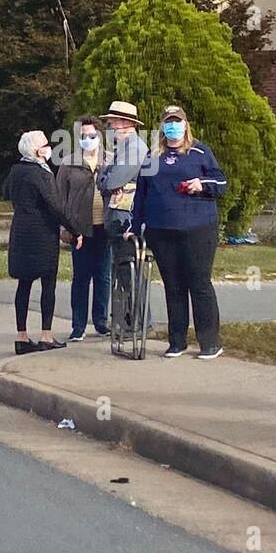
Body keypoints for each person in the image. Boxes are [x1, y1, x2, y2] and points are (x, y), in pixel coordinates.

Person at [132, 106, 227, 359]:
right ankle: (177, 341)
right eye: (168, 122)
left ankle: (210, 342)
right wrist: (134, 226)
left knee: (199, 283)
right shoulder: (153, 157)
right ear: (162, 126)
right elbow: (141, 195)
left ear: (185, 124)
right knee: (173, 286)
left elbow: (221, 182)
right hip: (161, 229)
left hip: (197, 227)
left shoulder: (200, 152)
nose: (173, 126)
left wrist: (202, 184)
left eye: (177, 122)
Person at [6, 131, 81, 353]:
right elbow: (56, 205)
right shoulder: (41, 174)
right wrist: (74, 229)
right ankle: (46, 334)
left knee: (24, 283)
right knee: (48, 283)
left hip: (20, 230)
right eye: (46, 145)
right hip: (42, 233)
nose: (49, 148)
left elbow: (6, 191)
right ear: (38, 150)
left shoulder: (16, 170)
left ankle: (21, 335)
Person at [97, 100, 150, 336]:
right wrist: (105, 178)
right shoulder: (124, 148)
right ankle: (131, 321)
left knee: (129, 272)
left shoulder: (134, 149)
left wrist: (105, 179)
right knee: (123, 272)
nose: (110, 126)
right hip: (118, 214)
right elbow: (105, 179)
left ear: (125, 123)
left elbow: (111, 180)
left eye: (112, 122)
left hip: (125, 217)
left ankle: (139, 322)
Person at [56, 116, 111, 341]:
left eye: (91, 135)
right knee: (81, 277)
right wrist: (64, 228)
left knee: (103, 276)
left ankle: (101, 322)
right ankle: (78, 326)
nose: (87, 140)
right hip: (80, 230)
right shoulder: (69, 163)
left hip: (105, 226)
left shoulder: (110, 160)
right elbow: (59, 198)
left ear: (99, 135)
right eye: (82, 136)